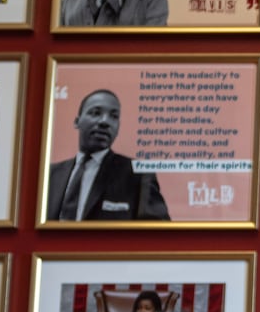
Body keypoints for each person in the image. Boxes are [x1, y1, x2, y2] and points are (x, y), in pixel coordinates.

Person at [45, 88, 171, 221]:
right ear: (77, 122)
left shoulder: (138, 174)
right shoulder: (50, 175)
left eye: (114, 116)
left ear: (118, 126)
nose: (105, 121)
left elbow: (158, 235)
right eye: (95, 113)